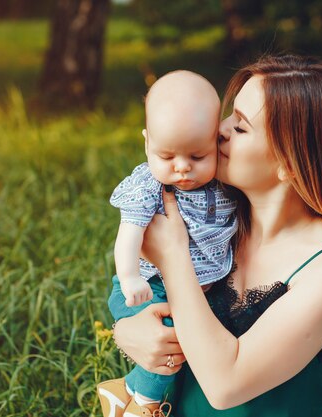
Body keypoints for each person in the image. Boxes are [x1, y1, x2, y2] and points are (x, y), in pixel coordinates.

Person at [112, 54, 322, 417]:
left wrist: (174, 258)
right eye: (229, 114)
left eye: (240, 126)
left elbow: (225, 385)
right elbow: (142, 292)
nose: (219, 129)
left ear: (289, 162)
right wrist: (127, 330)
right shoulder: (216, 223)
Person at [97, 70, 238, 417]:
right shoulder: (149, 187)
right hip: (152, 287)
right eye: (167, 156)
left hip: (193, 289)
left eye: (197, 156)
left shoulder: (223, 183)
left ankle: (124, 390)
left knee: (189, 336)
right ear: (147, 144)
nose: (183, 168)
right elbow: (128, 235)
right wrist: (131, 277)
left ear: (216, 141)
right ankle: (143, 406)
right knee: (172, 336)